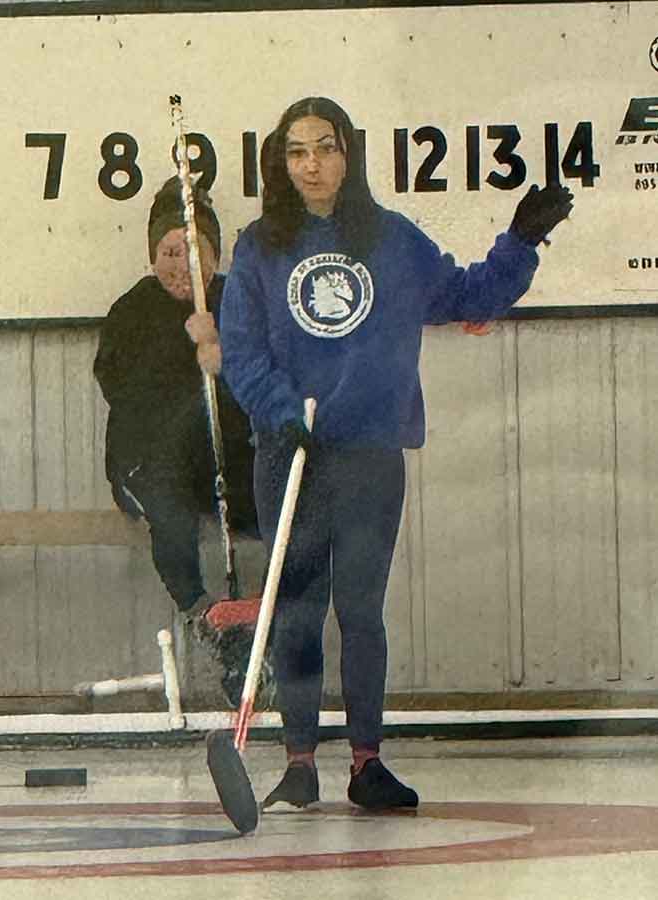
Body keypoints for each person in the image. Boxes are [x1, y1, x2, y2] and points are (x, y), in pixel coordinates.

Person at [218, 96, 573, 811]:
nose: (311, 164)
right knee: (295, 611)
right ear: (279, 164)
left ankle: (365, 761)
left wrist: (520, 242)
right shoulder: (259, 246)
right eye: (296, 151)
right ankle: (296, 761)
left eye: (325, 147)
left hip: (369, 447)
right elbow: (242, 350)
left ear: (349, 155)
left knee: (360, 608)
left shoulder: (389, 240)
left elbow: (467, 296)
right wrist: (282, 415)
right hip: (288, 453)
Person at [94, 176, 257, 627]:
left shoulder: (236, 300)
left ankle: (265, 614)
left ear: (215, 256)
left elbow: (263, 380)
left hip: (222, 457)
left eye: (194, 252)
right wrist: (184, 350)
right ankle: (200, 610)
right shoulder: (132, 310)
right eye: (170, 253)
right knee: (171, 513)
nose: (181, 265)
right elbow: (123, 392)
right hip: (151, 461)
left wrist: (223, 359)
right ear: (152, 256)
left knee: (282, 499)